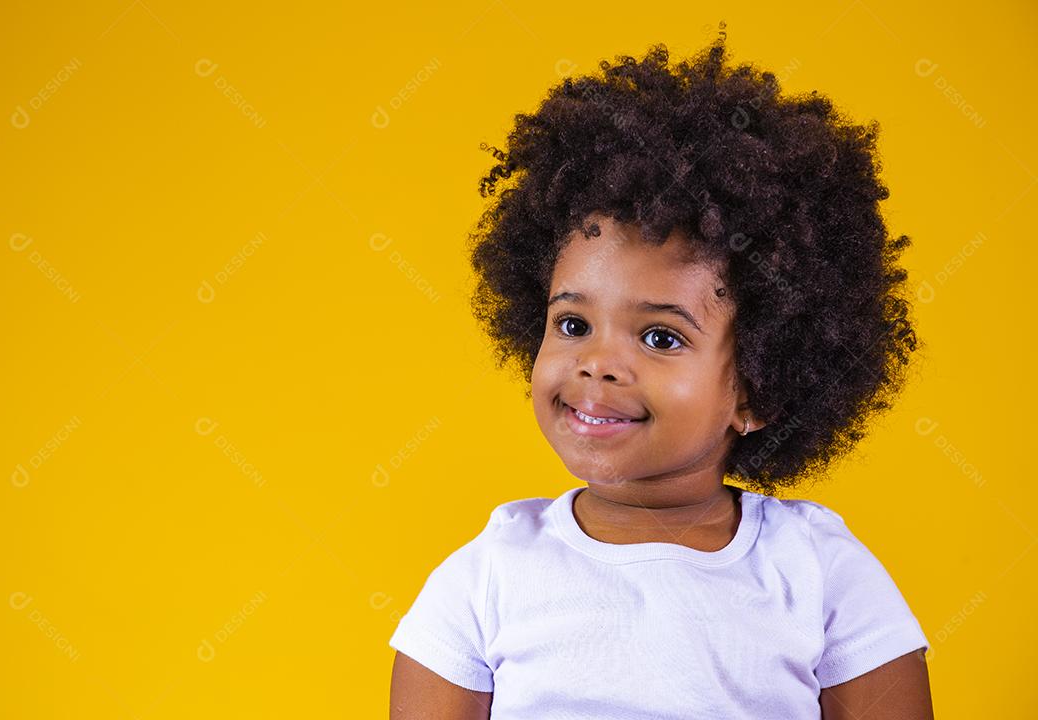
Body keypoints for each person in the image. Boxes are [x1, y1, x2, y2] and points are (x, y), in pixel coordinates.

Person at [389, 28, 934, 719]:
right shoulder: (486, 577)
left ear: (759, 386)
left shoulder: (821, 571)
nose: (598, 362)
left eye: (659, 336)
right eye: (573, 323)